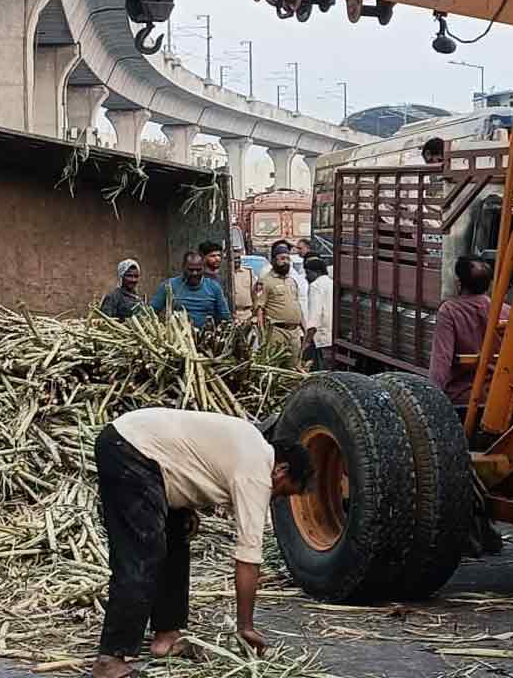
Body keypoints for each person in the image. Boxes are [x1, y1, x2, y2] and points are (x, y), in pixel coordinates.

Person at [91, 408, 313, 678]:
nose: (274, 498)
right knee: (142, 553)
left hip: (148, 452)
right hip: (131, 448)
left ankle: (167, 636)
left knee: (176, 535)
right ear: (281, 469)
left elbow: (193, 459)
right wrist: (245, 626)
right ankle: (110, 660)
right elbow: (248, 557)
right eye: (282, 492)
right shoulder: (258, 471)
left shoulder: (252, 445)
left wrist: (186, 504)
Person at [430, 255, 509, 404]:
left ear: (459, 283)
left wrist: (433, 401)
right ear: (489, 284)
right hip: (502, 396)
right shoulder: (506, 311)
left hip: (463, 397)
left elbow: (441, 362)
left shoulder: (449, 311)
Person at [255, 241, 305, 366]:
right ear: (273, 260)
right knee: (274, 366)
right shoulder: (265, 281)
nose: (285, 262)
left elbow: (297, 305)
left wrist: (304, 328)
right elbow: (259, 309)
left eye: (288, 259)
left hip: (294, 332)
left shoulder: (292, 281)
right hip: (276, 332)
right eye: (282, 259)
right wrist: (262, 334)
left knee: (293, 369)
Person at [151, 251, 231, 328]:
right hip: (178, 338)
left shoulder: (214, 287)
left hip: (207, 337)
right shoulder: (169, 286)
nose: (194, 273)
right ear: (183, 267)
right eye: (191, 270)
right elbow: (151, 311)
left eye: (198, 270)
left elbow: (225, 317)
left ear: (203, 268)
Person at [303, 257, 333, 371]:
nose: (306, 277)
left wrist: (306, 343)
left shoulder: (315, 286)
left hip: (322, 339)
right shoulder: (332, 283)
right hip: (333, 337)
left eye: (308, 273)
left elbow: (314, 318)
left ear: (317, 272)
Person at [231, 248, 257, 323]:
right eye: (234, 258)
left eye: (238, 258)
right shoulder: (226, 274)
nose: (237, 260)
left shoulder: (248, 272)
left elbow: (255, 294)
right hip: (232, 315)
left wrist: (254, 315)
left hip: (248, 315)